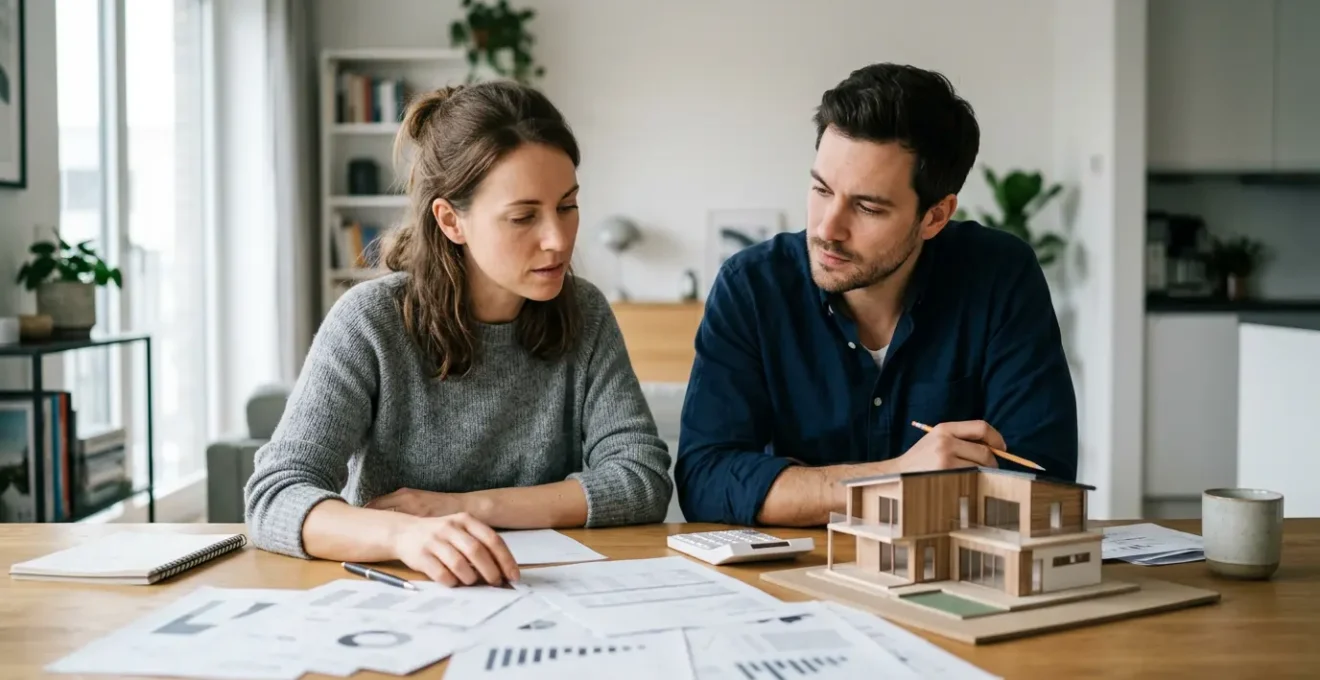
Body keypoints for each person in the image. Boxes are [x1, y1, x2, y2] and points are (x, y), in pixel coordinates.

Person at [244, 81, 673, 586]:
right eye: (523, 217)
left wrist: (465, 508)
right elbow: (275, 495)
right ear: (451, 221)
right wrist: (403, 535)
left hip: (548, 590)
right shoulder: (370, 321)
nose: (558, 240)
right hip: (404, 595)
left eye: (567, 206)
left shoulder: (586, 313)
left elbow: (641, 477)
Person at [675, 63, 1078, 527]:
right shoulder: (752, 285)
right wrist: (895, 479)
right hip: (801, 568)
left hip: (948, 565)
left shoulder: (1000, 276)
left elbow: (1044, 483)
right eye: (821, 189)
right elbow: (706, 480)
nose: (827, 229)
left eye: (867, 207)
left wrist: (804, 490)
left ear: (935, 217)